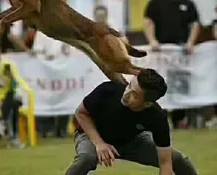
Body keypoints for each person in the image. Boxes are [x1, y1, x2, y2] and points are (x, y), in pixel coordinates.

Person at [64, 69, 197, 175]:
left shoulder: (157, 116)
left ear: (147, 104)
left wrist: (166, 170)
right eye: (129, 86)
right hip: (92, 135)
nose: (126, 93)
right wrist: (99, 143)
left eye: (135, 94)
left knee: (178, 160)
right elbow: (81, 113)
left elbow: (166, 163)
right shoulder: (108, 90)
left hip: (132, 141)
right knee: (86, 159)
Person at [143, 0, 200, 128]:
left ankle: (180, 119)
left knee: (180, 86)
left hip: (180, 53)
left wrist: (190, 42)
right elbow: (148, 22)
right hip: (161, 54)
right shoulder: (155, 3)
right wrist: (152, 41)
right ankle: (158, 119)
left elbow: (194, 24)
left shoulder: (188, 4)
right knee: (159, 85)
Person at [32, 0, 71, 138]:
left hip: (65, 65)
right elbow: (37, 48)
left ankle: (61, 129)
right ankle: (45, 129)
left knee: (66, 96)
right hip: (47, 67)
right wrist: (45, 57)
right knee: (47, 97)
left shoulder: (71, 20)